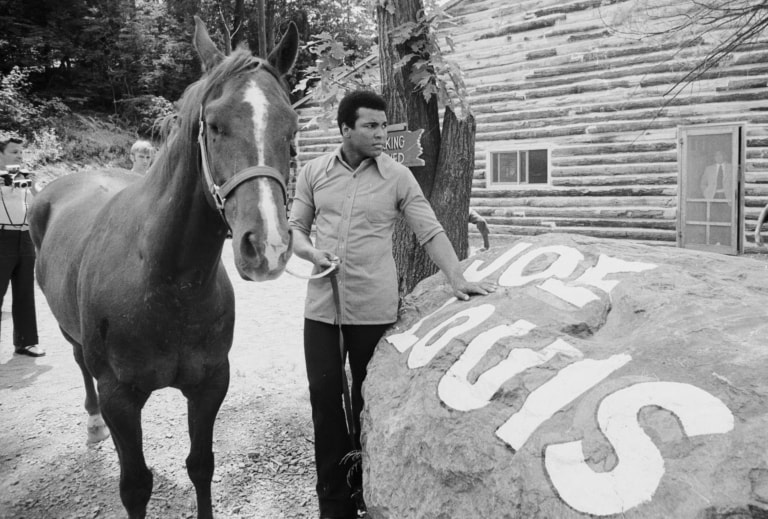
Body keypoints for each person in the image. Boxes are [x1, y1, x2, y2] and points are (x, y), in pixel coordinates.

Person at [289, 90, 495, 519]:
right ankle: (334, 504)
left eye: (384, 125)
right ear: (345, 129)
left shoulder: (398, 177)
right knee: (325, 402)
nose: (381, 133)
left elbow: (429, 229)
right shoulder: (313, 172)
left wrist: (457, 276)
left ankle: (371, 489)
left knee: (368, 404)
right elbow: (296, 231)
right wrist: (311, 254)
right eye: (371, 126)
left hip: (374, 311)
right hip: (322, 310)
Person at [0, 137, 44, 357]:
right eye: (13, 152)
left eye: (21, 152)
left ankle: (26, 342)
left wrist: (34, 186)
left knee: (25, 292)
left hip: (25, 236)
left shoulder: (23, 177)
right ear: (1, 155)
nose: (19, 156)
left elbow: (39, 200)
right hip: (2, 236)